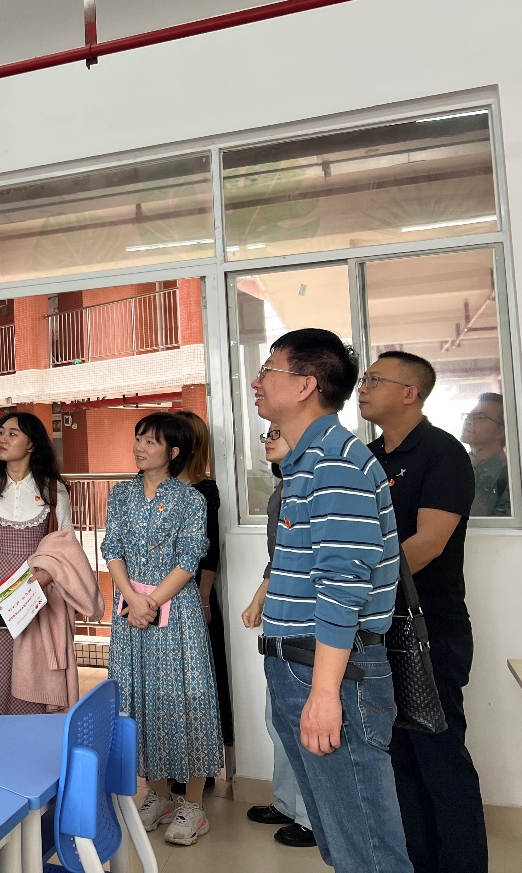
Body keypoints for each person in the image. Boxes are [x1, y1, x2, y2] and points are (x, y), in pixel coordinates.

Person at [253, 328, 410, 873]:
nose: (256, 382)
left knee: (366, 849)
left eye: (268, 371)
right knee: (343, 842)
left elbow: (343, 586)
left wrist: (323, 693)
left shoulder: (336, 463)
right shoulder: (307, 461)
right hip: (300, 666)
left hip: (328, 672)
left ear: (305, 385)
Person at [358, 351, 487, 873]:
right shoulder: (366, 458)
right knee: (396, 759)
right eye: (364, 379)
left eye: (375, 379)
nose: (363, 387)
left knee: (440, 758)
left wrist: (357, 587)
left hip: (428, 629)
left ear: (410, 393)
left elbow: (428, 544)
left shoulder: (442, 453)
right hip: (376, 628)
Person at [103, 411, 221, 846]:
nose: (139, 446)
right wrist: (132, 599)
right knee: (139, 700)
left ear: (173, 452)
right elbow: (112, 548)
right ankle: (157, 795)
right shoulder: (120, 494)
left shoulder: (191, 500)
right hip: (130, 612)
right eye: (138, 438)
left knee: (186, 700)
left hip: (176, 614)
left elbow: (189, 560)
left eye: (150, 441)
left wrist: (150, 601)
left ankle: (193, 805)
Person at [0, 412, 75, 715]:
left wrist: (46, 576)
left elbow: (67, 547)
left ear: (32, 444)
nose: (2, 438)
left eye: (12, 434)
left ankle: (32, 742)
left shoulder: (53, 490)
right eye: (1, 432)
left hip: (39, 597)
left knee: (34, 681)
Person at [241, 426, 317, 849]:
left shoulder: (314, 487)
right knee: (280, 716)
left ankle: (312, 818)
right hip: (281, 614)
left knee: (305, 717)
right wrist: (259, 599)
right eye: (266, 433)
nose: (268, 439)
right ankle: (288, 804)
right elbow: (280, 559)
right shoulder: (280, 491)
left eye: (277, 433)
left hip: (309, 618)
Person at [174, 410, 234, 754]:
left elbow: (208, 552)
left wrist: (204, 597)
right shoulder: (142, 485)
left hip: (193, 591)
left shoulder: (205, 490)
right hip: (151, 596)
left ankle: (202, 758)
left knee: (200, 676)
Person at [461, 391, 509, 516]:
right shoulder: (454, 465)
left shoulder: (509, 476)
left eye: (480, 417)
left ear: (501, 431)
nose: (469, 421)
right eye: (469, 415)